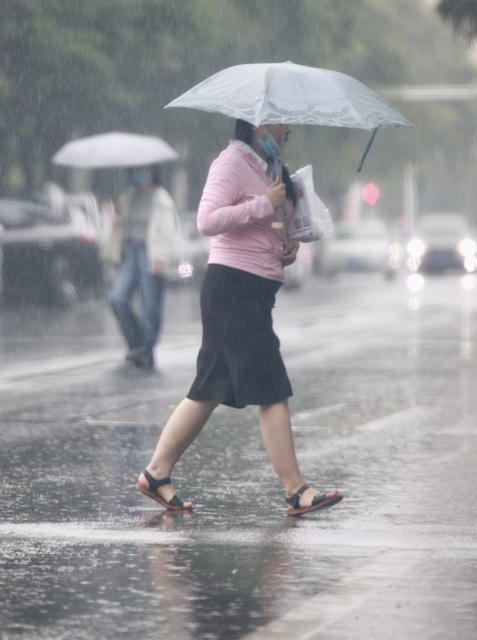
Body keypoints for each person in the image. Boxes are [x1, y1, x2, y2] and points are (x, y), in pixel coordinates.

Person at [135, 120, 343, 516]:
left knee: (210, 388)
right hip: (233, 287)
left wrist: (290, 242)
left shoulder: (270, 168)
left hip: (254, 288)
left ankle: (157, 472)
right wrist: (263, 204)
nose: (288, 130)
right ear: (258, 124)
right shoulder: (231, 162)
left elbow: (267, 228)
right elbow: (207, 220)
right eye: (281, 122)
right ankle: (295, 489)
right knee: (271, 386)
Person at [104, 165, 177, 368]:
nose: (141, 174)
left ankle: (146, 349)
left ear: (153, 172)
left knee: (150, 305)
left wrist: (160, 259)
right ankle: (136, 343)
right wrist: (116, 210)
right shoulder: (129, 195)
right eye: (137, 171)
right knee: (117, 299)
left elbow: (167, 230)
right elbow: (119, 222)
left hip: (151, 252)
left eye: (144, 170)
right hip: (130, 251)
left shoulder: (161, 198)